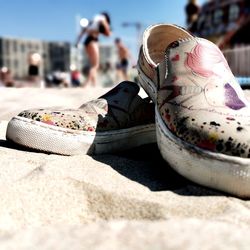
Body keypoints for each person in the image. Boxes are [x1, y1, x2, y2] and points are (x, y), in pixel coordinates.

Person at [76, 12, 112, 87]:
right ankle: (86, 84)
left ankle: (94, 84)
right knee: (95, 65)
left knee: (93, 65)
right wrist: (107, 29)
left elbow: (83, 31)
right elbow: (108, 33)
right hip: (93, 41)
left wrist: (77, 42)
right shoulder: (102, 18)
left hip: (86, 42)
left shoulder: (93, 21)